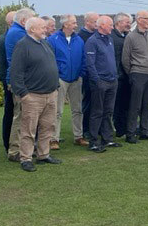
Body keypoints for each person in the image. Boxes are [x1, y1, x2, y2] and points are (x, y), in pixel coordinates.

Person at [10, 17, 62, 171]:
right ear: (32, 29)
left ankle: (43, 155)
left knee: (48, 127)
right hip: (32, 96)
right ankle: (25, 158)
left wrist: (56, 87)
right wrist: (24, 94)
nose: (45, 29)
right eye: (42, 27)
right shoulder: (23, 45)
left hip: (50, 94)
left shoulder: (44, 43)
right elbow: (16, 73)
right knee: (28, 129)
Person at [48, 14, 86, 150]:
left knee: (78, 109)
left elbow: (83, 58)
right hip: (60, 79)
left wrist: (80, 74)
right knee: (57, 111)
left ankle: (78, 136)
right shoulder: (53, 39)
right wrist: (57, 74)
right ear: (65, 24)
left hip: (76, 79)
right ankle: (53, 138)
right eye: (73, 23)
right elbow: (50, 59)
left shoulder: (79, 40)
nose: (76, 25)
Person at [84, 15, 121, 151]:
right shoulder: (92, 41)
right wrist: (97, 80)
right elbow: (90, 63)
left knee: (108, 111)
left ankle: (107, 138)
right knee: (97, 112)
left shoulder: (109, 39)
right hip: (100, 82)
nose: (112, 27)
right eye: (110, 25)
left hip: (112, 80)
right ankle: (93, 141)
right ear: (102, 26)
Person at [121, 10, 148, 143]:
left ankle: (145, 131)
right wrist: (132, 73)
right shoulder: (130, 37)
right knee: (135, 106)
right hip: (138, 74)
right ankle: (130, 134)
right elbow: (125, 59)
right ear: (139, 20)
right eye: (146, 18)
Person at [5, 8, 37, 161]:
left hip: (24, 80)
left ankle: (24, 147)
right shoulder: (19, 34)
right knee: (21, 117)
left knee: (25, 116)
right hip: (21, 82)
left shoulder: (15, 32)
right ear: (24, 21)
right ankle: (15, 150)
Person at [0, 11, 15, 151]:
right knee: (9, 112)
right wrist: (5, 81)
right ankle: (7, 142)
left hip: (22, 83)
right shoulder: (2, 40)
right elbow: (0, 63)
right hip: (9, 83)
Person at [78, 11, 100, 144]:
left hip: (99, 74)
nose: (97, 24)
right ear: (88, 22)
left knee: (97, 104)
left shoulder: (97, 35)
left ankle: (96, 128)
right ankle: (85, 129)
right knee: (88, 103)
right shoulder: (81, 37)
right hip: (87, 75)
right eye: (95, 22)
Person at [110, 13, 134, 137]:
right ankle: (119, 129)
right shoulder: (112, 38)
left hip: (126, 75)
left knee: (125, 104)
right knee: (117, 105)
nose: (129, 24)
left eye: (130, 22)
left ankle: (124, 128)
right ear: (118, 23)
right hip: (117, 76)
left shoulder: (127, 36)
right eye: (126, 22)